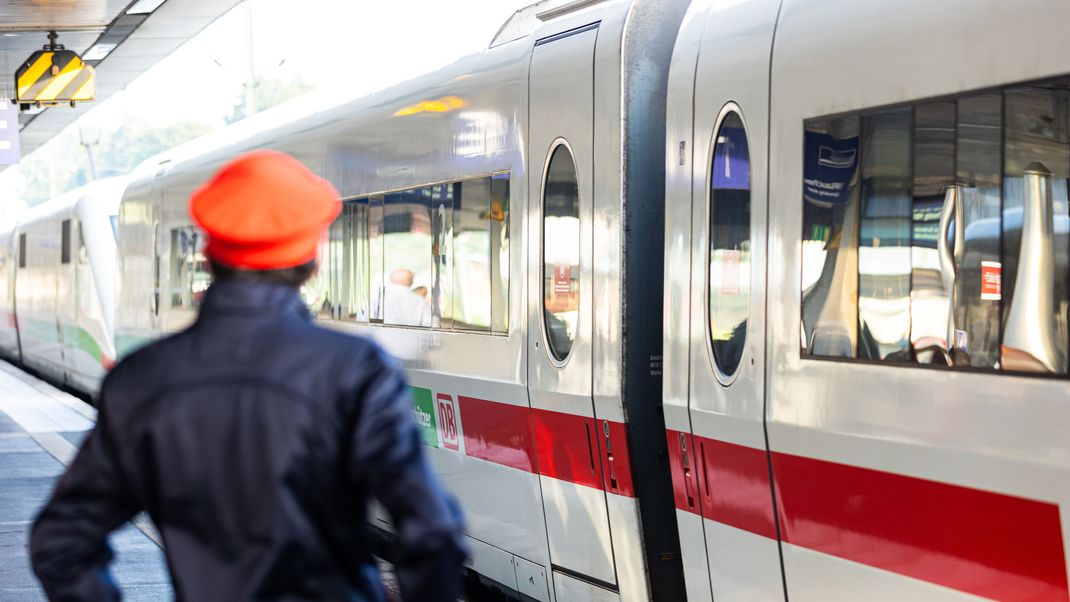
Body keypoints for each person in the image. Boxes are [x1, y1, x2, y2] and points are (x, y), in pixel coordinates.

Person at [29, 150, 467, 601]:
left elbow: (60, 541)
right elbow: (432, 532)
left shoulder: (142, 379)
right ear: (311, 262)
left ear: (208, 256)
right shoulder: (356, 370)